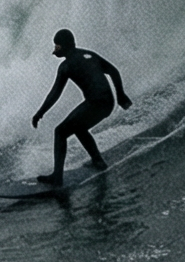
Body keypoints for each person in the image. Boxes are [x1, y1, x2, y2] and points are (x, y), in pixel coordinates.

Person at [30, 28, 130, 183]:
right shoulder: (89, 54)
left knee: (60, 131)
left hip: (95, 104)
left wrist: (40, 113)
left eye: (57, 46)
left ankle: (57, 177)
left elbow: (55, 93)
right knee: (78, 126)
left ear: (64, 46)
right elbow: (113, 71)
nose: (55, 49)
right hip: (107, 103)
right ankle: (97, 161)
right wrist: (120, 95)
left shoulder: (66, 66)